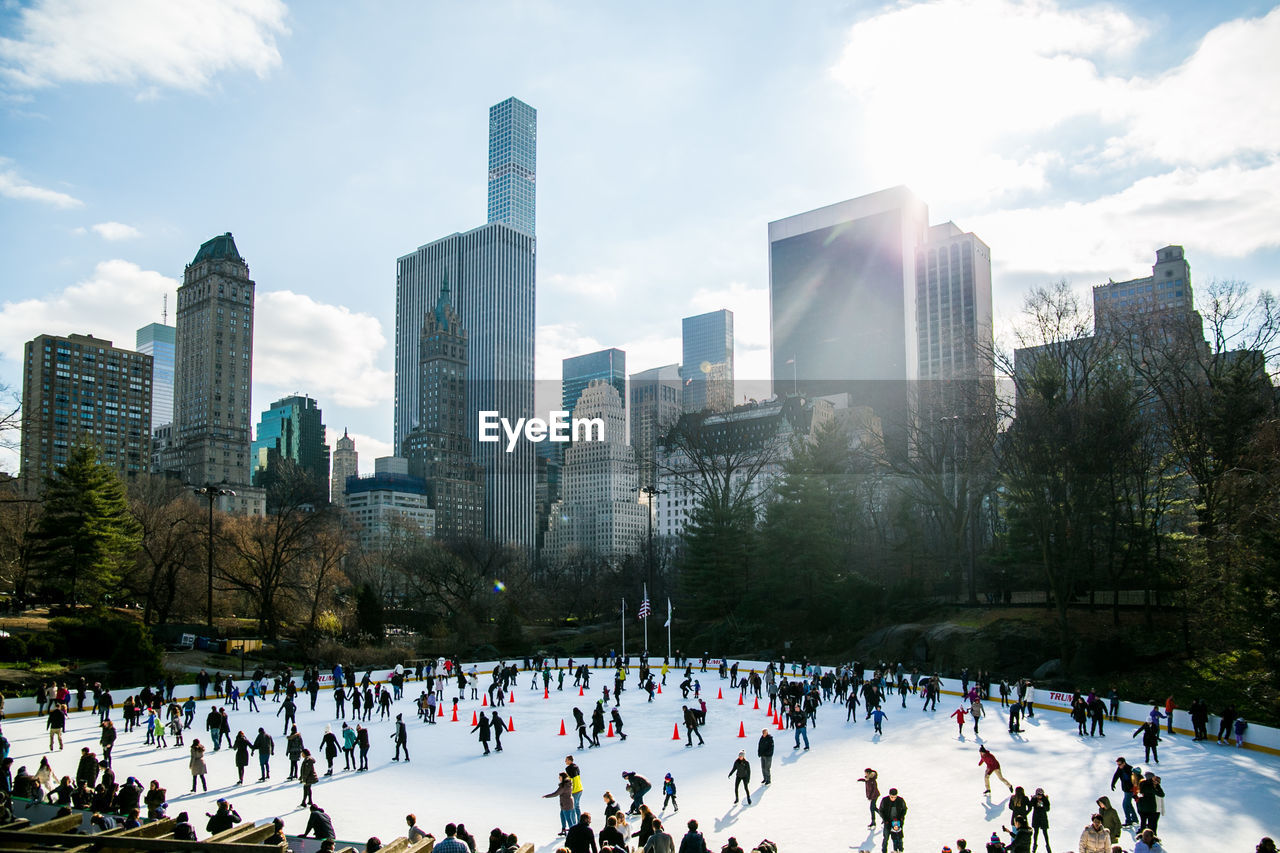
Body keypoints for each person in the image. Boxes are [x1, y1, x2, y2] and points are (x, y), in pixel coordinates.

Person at [878, 788, 907, 853]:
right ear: (889, 795)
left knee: (898, 838)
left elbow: (904, 809)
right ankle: (884, 851)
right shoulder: (885, 800)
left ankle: (899, 850)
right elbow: (881, 810)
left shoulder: (900, 800)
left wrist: (902, 818)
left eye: (895, 797)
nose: (893, 798)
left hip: (897, 822)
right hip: (888, 822)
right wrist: (885, 819)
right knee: (886, 838)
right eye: (892, 797)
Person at [1029, 787, 1051, 852]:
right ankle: (1034, 845)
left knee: (1045, 832)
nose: (1039, 797)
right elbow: (1031, 805)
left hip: (1043, 817)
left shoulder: (1045, 799)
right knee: (1036, 832)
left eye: (1041, 795)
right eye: (1038, 795)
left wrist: (1043, 805)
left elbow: (1048, 809)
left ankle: (1047, 845)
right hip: (1036, 817)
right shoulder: (1034, 799)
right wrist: (1033, 799)